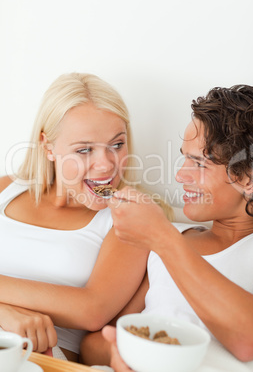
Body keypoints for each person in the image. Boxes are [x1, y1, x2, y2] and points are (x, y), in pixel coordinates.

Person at [80, 85, 253, 372]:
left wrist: (162, 237)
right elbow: (94, 345)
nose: (180, 174)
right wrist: (120, 354)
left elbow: (251, 340)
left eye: (199, 163)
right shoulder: (174, 239)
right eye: (184, 157)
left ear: (248, 179)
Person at [0, 72, 172, 362]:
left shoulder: (132, 215)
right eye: (84, 150)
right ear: (48, 147)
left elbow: (93, 309)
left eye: (117, 144)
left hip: (33, 359)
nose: (105, 164)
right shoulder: (6, 188)